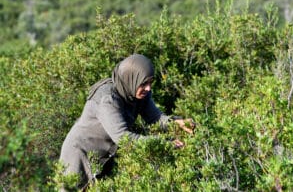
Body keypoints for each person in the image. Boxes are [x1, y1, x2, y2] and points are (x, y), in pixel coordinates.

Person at [59, 54, 195, 189]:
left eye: (150, 82)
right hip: (78, 155)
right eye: (144, 83)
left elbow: (155, 118)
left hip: (103, 159)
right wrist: (162, 144)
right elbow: (123, 138)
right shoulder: (107, 98)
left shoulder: (137, 92)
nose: (148, 88)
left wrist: (176, 123)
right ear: (131, 78)